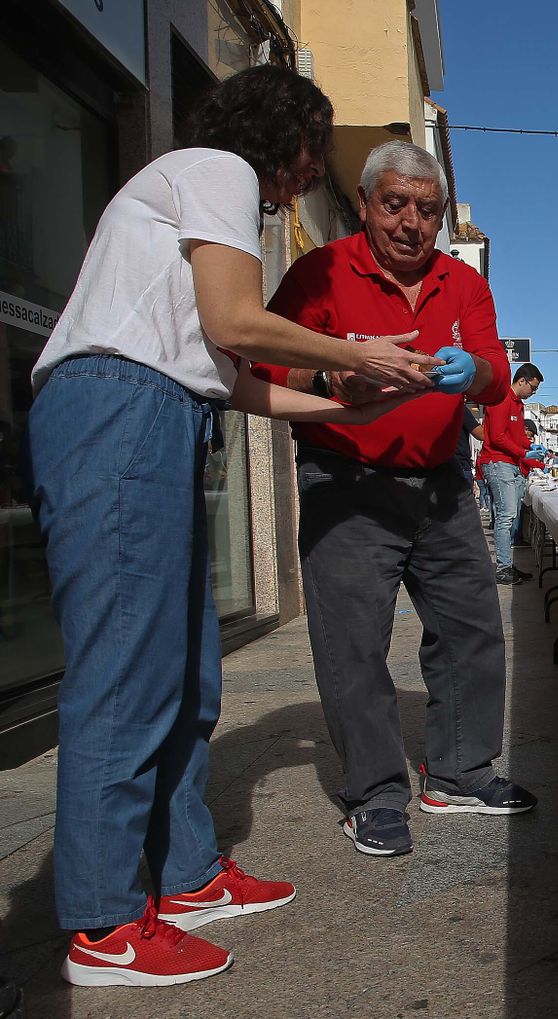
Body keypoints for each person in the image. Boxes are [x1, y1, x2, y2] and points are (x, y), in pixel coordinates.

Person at [29, 65, 436, 988]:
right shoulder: (217, 168)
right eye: (306, 151)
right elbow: (238, 321)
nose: (301, 178)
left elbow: (229, 369)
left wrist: (342, 408)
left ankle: (185, 876)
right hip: (121, 407)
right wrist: (355, 353)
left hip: (164, 407)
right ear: (279, 134)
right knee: (127, 672)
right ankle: (100, 923)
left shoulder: (208, 193)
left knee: (183, 670)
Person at [256, 140, 536, 859]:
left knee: (472, 624)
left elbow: (496, 376)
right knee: (354, 642)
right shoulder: (320, 269)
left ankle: (461, 770)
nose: (413, 222)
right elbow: (264, 362)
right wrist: (328, 381)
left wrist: (472, 370)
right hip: (346, 479)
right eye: (396, 204)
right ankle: (375, 794)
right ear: (365, 204)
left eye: (428, 209)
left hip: (440, 479)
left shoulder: (461, 284)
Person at [481, 363, 544, 585]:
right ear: (522, 381)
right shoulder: (501, 399)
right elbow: (498, 437)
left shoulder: (518, 405)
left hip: (510, 464)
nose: (533, 392)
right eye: (533, 388)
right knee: (506, 516)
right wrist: (524, 452)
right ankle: (503, 568)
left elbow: (516, 437)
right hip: (498, 463)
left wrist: (530, 449)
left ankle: (506, 563)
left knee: (511, 515)